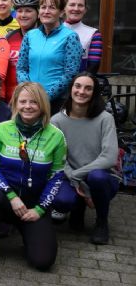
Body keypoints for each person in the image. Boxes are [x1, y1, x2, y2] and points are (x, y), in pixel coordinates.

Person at [0, 82, 70, 270]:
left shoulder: (56, 136)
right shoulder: (3, 129)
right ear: (15, 104)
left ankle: (26, 230)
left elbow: (56, 176)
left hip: (34, 204)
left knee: (43, 262)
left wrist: (40, 209)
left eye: (34, 102)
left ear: (43, 105)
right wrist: (11, 196)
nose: (27, 106)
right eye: (23, 101)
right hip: (6, 199)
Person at [51, 73, 119, 244]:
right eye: (78, 86)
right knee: (60, 200)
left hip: (101, 177)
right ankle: (77, 208)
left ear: (94, 92)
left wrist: (77, 176)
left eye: (88, 88)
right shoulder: (56, 121)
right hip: (69, 175)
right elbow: (57, 158)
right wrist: (75, 179)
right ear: (71, 89)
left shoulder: (105, 119)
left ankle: (101, 222)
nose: (82, 91)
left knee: (97, 177)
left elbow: (109, 157)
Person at [17, 0, 83, 114]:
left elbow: (70, 73)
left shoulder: (70, 37)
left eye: (52, 8)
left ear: (62, 12)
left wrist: (45, 97)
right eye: (43, 7)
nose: (46, 11)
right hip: (29, 101)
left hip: (56, 102)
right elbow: (21, 68)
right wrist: (28, 92)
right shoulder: (30, 35)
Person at [4, 0, 40, 101]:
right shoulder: (9, 37)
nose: (23, 15)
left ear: (38, 13)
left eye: (28, 11)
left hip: (37, 97)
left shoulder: (45, 37)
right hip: (11, 99)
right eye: (19, 11)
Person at [64, 0, 102, 74]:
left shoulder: (94, 34)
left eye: (80, 5)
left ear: (85, 10)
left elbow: (93, 66)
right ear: (64, 8)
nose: (76, 9)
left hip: (79, 84)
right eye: (72, 5)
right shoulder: (53, 31)